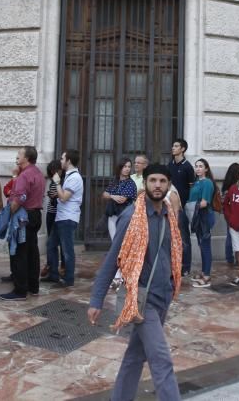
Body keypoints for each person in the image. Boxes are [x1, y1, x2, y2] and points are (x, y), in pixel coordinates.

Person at [88, 165, 183, 401]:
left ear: (168, 184)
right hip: (141, 300)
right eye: (153, 180)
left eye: (162, 181)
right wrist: (96, 299)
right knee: (161, 359)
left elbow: (171, 253)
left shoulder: (168, 215)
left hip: (163, 296)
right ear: (145, 184)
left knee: (135, 355)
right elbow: (112, 259)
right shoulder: (132, 217)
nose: (157, 185)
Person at [1, 145, 45, 301]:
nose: (17, 156)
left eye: (19, 154)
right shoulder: (38, 173)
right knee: (32, 252)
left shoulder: (24, 175)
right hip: (35, 215)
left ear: (27, 158)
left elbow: (19, 198)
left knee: (20, 252)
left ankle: (20, 290)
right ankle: (33, 287)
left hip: (23, 217)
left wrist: (10, 212)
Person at [45, 150, 83, 288]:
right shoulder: (69, 175)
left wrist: (57, 183)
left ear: (69, 161)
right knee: (51, 245)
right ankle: (54, 275)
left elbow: (64, 197)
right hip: (61, 217)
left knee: (67, 250)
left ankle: (68, 279)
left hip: (68, 218)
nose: (60, 161)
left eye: (62, 158)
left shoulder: (75, 178)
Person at [103, 158, 138, 288]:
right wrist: (112, 196)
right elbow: (105, 194)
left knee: (122, 245)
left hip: (124, 217)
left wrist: (114, 196)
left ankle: (121, 275)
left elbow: (123, 199)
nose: (127, 169)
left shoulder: (130, 183)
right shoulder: (115, 181)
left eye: (129, 166)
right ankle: (118, 274)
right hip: (112, 216)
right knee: (115, 244)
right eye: (125, 166)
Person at [167, 138, 195, 277]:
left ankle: (186, 267)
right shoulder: (170, 165)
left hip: (182, 209)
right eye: (173, 145)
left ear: (182, 149)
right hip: (169, 208)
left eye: (176, 146)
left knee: (184, 239)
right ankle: (173, 265)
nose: (173, 148)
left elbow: (191, 188)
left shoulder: (188, 167)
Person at [186, 158, 215, 288]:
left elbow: (204, 202)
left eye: (201, 166)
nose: (198, 168)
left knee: (205, 247)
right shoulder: (197, 182)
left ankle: (207, 276)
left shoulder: (207, 182)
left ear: (206, 169)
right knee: (201, 245)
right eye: (196, 166)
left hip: (204, 217)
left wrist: (189, 207)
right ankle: (204, 272)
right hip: (197, 217)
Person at [40, 158, 63, 281]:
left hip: (59, 214)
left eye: (56, 170)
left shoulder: (62, 181)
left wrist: (56, 195)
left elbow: (64, 196)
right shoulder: (53, 181)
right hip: (50, 212)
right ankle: (51, 265)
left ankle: (60, 267)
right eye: (52, 171)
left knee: (57, 243)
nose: (54, 173)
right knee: (50, 241)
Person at [220, 162, 239, 265]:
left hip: (227, 213)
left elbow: (223, 201)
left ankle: (229, 257)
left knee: (229, 235)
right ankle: (237, 259)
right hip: (236, 213)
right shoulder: (237, 186)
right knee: (237, 236)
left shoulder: (226, 186)